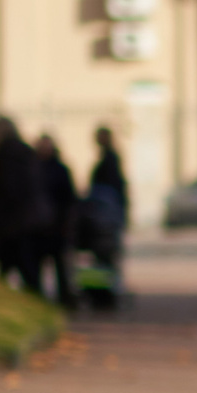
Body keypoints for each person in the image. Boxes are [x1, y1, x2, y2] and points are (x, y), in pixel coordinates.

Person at [0, 117, 46, 291]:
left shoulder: (6, 154)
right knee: (28, 271)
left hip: (15, 223)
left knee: (19, 268)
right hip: (28, 221)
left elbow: (9, 189)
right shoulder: (24, 151)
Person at [80, 125, 128, 302]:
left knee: (105, 258)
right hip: (105, 216)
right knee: (105, 258)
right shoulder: (109, 159)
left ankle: (106, 294)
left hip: (104, 216)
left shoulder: (109, 160)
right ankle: (105, 293)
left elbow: (110, 190)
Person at [30, 133, 79, 308]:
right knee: (37, 266)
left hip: (57, 225)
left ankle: (65, 298)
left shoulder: (59, 170)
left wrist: (67, 222)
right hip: (39, 226)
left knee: (61, 266)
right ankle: (39, 298)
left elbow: (70, 198)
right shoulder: (33, 169)